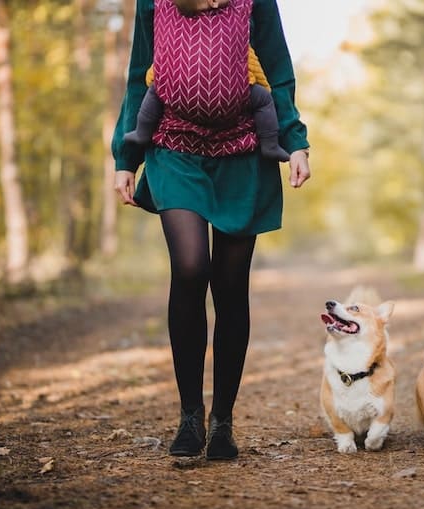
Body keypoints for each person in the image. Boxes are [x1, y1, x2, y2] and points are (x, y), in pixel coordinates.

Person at [112, 0, 310, 461]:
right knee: (190, 266)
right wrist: (125, 157)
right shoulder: (155, 3)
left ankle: (222, 421)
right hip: (174, 147)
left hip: (243, 153)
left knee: (229, 284)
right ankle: (189, 416)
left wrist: (295, 142)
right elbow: (138, 70)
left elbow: (278, 71)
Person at [124, 47, 291, 162]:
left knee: (155, 90)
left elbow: (161, 62)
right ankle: (270, 145)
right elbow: (251, 61)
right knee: (264, 101)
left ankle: (142, 132)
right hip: (232, 89)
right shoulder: (232, 28)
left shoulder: (178, 30)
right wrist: (263, 86)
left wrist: (153, 79)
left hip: (181, 87)